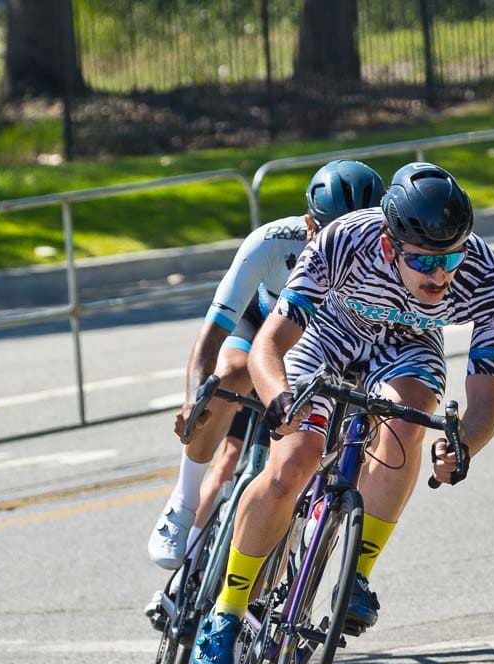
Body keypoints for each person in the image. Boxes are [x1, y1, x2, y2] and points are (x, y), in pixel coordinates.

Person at [190, 162, 494, 664]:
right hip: (328, 335)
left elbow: (486, 399)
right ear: (390, 247)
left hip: (407, 347)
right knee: (292, 460)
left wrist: (465, 445)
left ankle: (357, 572)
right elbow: (270, 344)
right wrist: (279, 399)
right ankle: (226, 611)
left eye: (452, 258)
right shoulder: (344, 240)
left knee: (409, 419)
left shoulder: (491, 282)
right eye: (424, 262)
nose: (440, 276)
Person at [146, 159, 386, 575]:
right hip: (261, 325)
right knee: (232, 376)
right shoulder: (272, 242)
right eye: (333, 233)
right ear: (310, 224)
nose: (348, 244)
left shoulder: (385, 255)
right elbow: (212, 334)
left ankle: (315, 526)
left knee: (364, 420)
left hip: (320, 345)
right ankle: (183, 503)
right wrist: (193, 401)